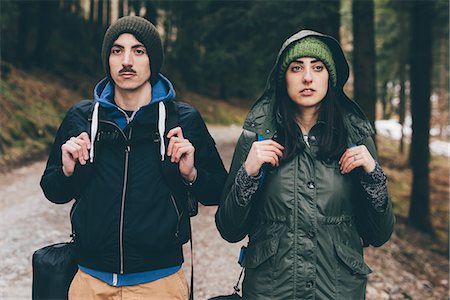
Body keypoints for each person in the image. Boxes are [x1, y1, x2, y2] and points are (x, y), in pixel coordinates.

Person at [40, 16, 227, 299]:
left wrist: (192, 175)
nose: (127, 60)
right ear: (108, 60)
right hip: (90, 282)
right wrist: (66, 172)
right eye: (117, 50)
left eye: (138, 51)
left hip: (160, 283)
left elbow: (218, 191)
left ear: (153, 60)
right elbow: (52, 190)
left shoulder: (182, 119)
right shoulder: (82, 117)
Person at [215, 29, 395, 299]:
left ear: (330, 78)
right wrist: (247, 174)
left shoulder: (355, 139)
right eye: (296, 68)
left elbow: (379, 234)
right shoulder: (257, 137)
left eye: (318, 67)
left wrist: (374, 176)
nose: (307, 77)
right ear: (282, 78)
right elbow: (229, 229)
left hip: (338, 290)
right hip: (270, 291)